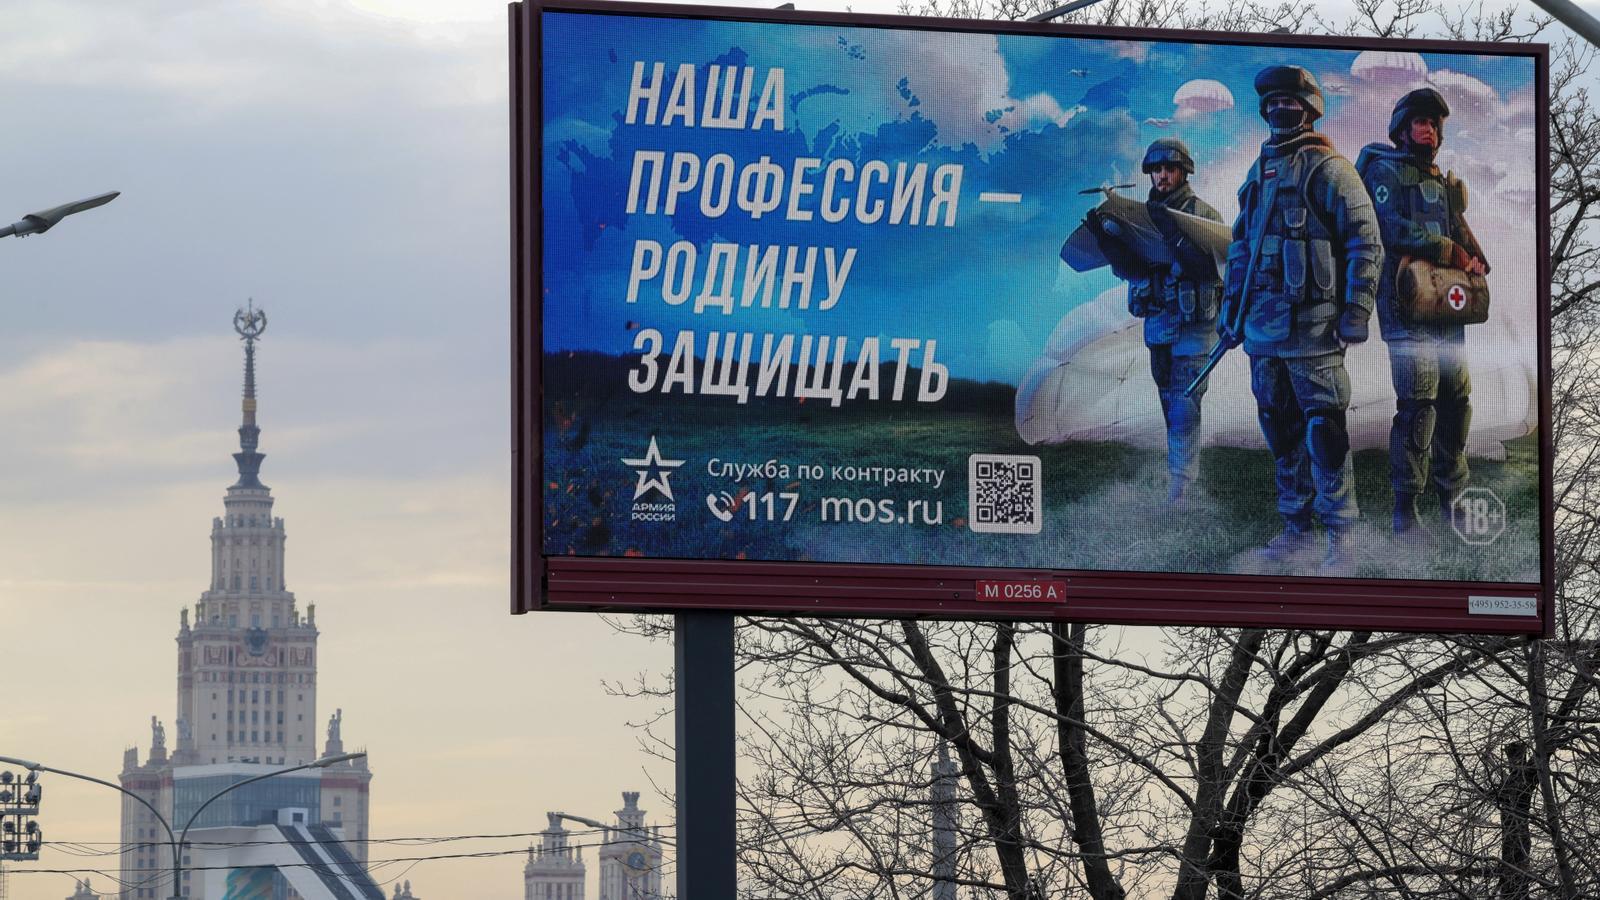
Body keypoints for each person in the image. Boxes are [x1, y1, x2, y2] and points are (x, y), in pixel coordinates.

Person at [1221, 65, 1383, 572]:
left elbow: (1366, 242)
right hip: (1263, 331)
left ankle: (1342, 536)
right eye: (1271, 103)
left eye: (1289, 102)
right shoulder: (1260, 170)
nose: (1278, 110)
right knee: (1280, 429)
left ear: (1311, 107)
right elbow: (1242, 247)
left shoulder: (1329, 168)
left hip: (1314, 329)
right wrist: (1231, 312)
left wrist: (1355, 312)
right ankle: (1295, 528)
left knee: (1324, 431)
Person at [1357, 88, 1488, 537]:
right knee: (1418, 406)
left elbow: (1459, 228)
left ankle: (1453, 496)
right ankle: (1405, 506)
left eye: (1433, 123)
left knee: (1457, 402)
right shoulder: (1382, 170)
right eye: (1419, 121)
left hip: (1446, 310)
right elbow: (1390, 226)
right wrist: (1449, 249)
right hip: (1405, 309)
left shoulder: (1443, 183)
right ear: (1401, 128)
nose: (1427, 129)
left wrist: (1473, 256)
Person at [1085, 138, 1225, 504]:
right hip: (1160, 322)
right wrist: (1107, 240)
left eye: (1169, 169)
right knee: (1168, 400)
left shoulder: (1203, 215)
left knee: (1185, 403)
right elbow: (1132, 270)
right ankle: (1178, 475)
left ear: (1184, 171)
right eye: (1157, 170)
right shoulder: (1140, 215)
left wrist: (1177, 236)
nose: (1162, 176)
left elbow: (1217, 268)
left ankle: (1181, 484)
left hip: (1195, 324)